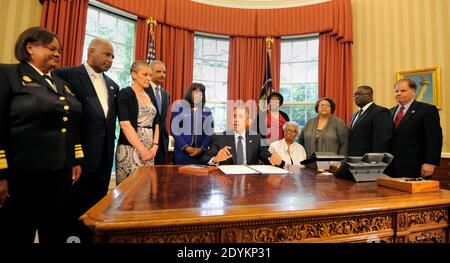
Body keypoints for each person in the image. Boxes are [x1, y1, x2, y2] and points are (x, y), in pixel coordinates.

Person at [0, 27, 83, 243]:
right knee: (18, 231)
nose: (58, 53)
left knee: (55, 231)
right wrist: (0, 173)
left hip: (59, 174)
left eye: (60, 50)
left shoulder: (61, 84)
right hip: (23, 175)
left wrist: (75, 159)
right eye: (52, 48)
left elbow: (71, 122)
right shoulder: (9, 74)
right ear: (30, 48)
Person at [53, 38, 119, 241]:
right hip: (78, 159)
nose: (110, 59)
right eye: (107, 54)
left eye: (113, 56)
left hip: (104, 160)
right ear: (91, 51)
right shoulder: (66, 75)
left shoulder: (113, 86)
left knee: (96, 208)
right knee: (71, 208)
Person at [385, 79, 442, 178]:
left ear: (413, 91)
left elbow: (434, 139)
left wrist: (430, 163)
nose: (398, 94)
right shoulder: (390, 112)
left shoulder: (427, 110)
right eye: (396, 91)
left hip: (416, 166)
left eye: (403, 91)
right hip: (391, 167)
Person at [116, 61, 160, 184]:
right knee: (128, 193)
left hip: (150, 151)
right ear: (134, 75)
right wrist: (142, 150)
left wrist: (155, 146)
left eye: (150, 75)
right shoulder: (125, 94)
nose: (149, 78)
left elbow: (157, 123)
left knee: (145, 191)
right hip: (130, 150)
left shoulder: (150, 96)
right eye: (145, 74)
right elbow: (125, 124)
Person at [202, 106, 282, 166]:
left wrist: (272, 158)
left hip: (250, 181)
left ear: (248, 121)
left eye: (240, 116)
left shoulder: (256, 137)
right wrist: (216, 159)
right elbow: (205, 158)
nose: (236, 119)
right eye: (234, 116)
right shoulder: (221, 137)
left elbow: (264, 154)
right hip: (227, 181)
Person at [171, 83, 214, 164]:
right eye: (195, 92)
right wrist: (186, 148)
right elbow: (174, 130)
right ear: (189, 93)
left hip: (201, 154)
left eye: (201, 93)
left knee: (201, 176)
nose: (198, 95)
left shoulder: (207, 111)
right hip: (182, 153)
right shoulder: (179, 108)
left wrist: (201, 149)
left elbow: (210, 133)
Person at [347, 85, 393, 156]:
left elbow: (381, 140)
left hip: (369, 161)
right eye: (355, 94)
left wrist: (375, 161)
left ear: (370, 96)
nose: (356, 96)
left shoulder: (380, 112)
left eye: (360, 94)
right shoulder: (354, 115)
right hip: (354, 160)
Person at [146, 60, 170, 164]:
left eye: (164, 72)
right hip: (147, 138)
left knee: (159, 175)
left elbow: (163, 118)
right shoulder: (143, 90)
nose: (162, 75)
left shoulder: (166, 94)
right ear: (150, 71)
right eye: (159, 71)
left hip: (162, 141)